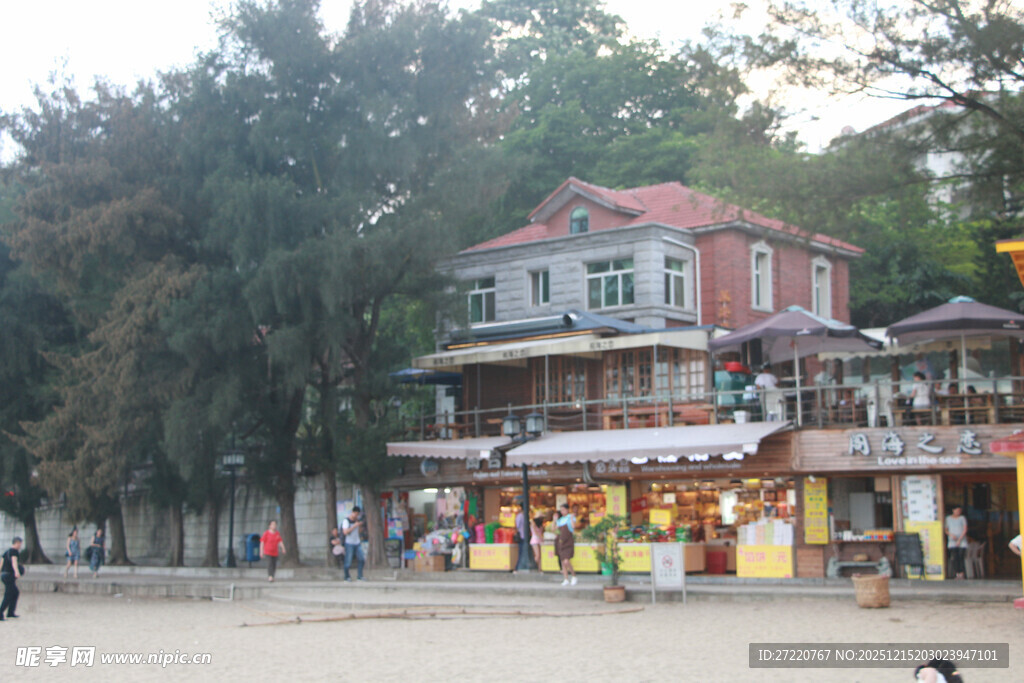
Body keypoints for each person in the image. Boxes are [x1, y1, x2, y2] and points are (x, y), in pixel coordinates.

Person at [1, 536, 24, 621]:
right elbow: (14, 562)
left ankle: (10, 612)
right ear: (17, 543)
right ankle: (0, 612)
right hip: (9, 575)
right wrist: (17, 572)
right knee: (9, 594)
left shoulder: (6, 552)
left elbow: (1, 563)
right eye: (20, 544)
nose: (20, 546)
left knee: (15, 592)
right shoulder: (14, 551)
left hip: (4, 575)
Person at [341, 506, 365, 582]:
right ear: (353, 512)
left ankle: (360, 576)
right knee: (348, 561)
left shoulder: (357, 520)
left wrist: (360, 526)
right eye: (356, 514)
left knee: (361, 559)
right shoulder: (346, 521)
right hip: (349, 543)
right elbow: (345, 532)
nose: (356, 516)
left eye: (358, 514)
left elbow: (359, 531)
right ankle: (346, 576)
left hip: (357, 542)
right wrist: (354, 526)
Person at [555, 504, 576, 586]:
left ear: (567, 510)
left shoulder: (571, 517)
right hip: (561, 541)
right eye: (561, 510)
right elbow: (554, 528)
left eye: (563, 509)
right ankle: (566, 578)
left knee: (566, 561)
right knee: (563, 561)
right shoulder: (560, 520)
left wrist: (571, 518)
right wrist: (555, 520)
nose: (562, 511)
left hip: (568, 541)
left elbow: (573, 527)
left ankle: (573, 575)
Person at [944, 506, 968, 579]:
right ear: (953, 510)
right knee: (954, 557)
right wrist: (951, 535)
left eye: (959, 511)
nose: (958, 512)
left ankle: (962, 573)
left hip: (962, 541)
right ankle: (957, 573)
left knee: (961, 557)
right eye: (957, 510)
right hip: (952, 541)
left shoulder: (962, 518)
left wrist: (959, 539)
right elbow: (946, 530)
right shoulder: (948, 519)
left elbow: (965, 529)